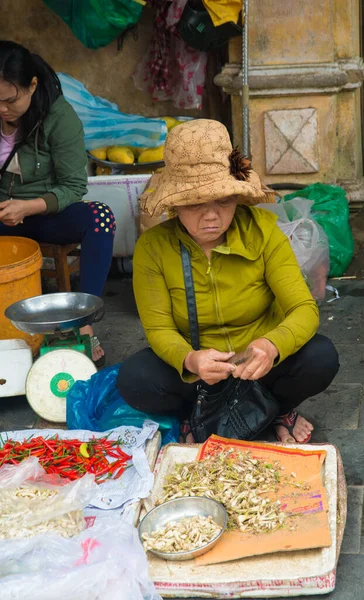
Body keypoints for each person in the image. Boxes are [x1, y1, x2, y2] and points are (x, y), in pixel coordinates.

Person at [117, 119, 339, 443]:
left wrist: (271, 346)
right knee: (135, 379)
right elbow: (158, 329)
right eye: (195, 202)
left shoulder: (263, 231)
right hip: (201, 371)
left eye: (223, 200)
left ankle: (277, 409)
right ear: (175, 204)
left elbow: (304, 308)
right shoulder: (152, 249)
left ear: (237, 195)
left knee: (320, 357)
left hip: (258, 367)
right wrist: (191, 359)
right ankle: (195, 416)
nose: (211, 214)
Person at [0, 41, 115, 367]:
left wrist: (27, 206)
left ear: (32, 86)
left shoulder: (58, 117)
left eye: (10, 100)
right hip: (1, 215)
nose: (2, 110)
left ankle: (85, 323)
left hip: (46, 213)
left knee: (100, 218)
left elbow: (74, 185)